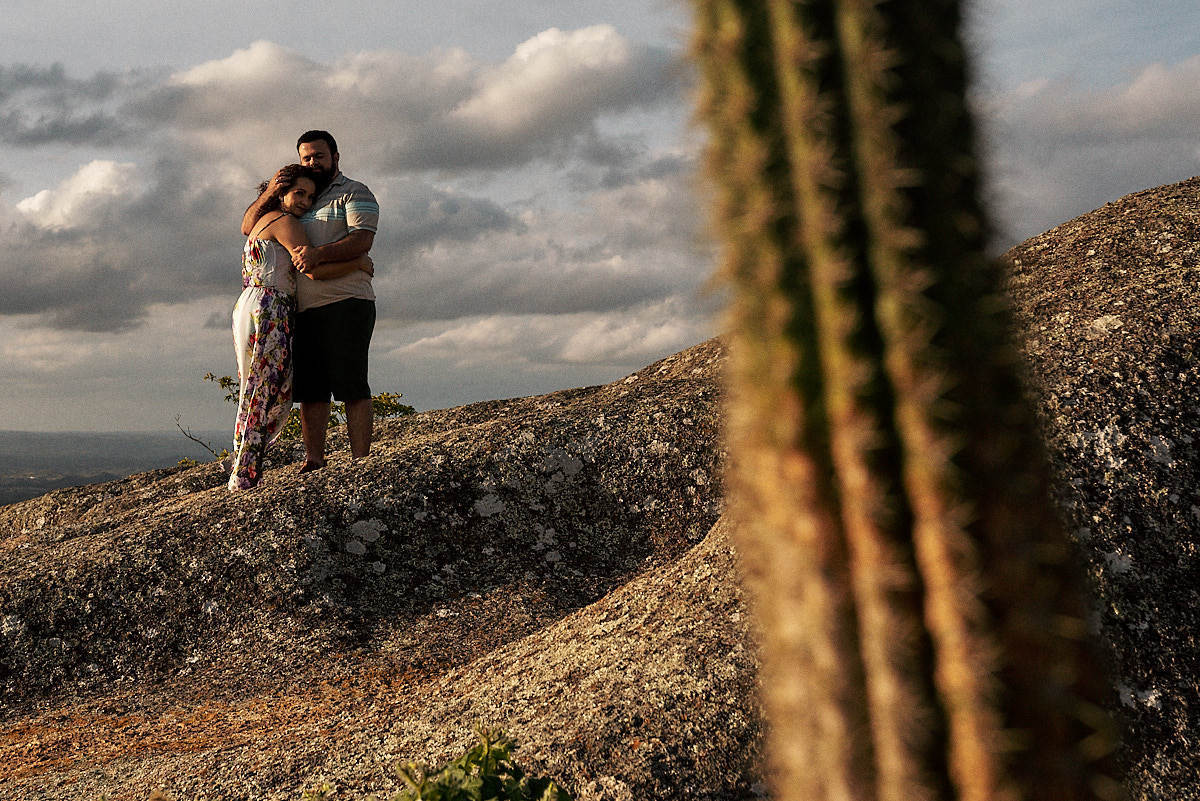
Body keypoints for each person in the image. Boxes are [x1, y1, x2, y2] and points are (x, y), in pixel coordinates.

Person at [241, 130, 379, 472]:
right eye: (306, 157)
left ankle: (361, 460)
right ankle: (315, 458)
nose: (312, 162)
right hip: (301, 308)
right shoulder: (297, 197)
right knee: (312, 388)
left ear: (335, 156)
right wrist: (274, 190)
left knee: (351, 382)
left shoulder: (354, 192)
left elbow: (362, 239)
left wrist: (318, 255)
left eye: (319, 155)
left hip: (347, 299)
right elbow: (248, 225)